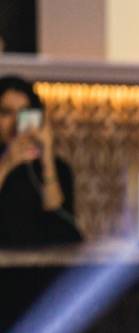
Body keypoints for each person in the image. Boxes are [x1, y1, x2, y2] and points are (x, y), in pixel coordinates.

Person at [0, 75, 81, 246]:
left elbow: (59, 221)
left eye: (24, 113)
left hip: (44, 267)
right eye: (7, 113)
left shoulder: (59, 168)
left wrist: (47, 159)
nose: (16, 122)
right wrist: (7, 163)